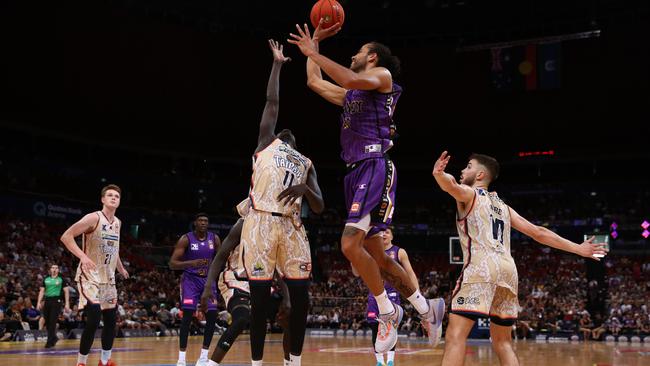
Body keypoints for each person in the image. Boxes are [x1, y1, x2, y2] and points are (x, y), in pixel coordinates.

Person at [288, 21, 444, 352]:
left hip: (374, 166)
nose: (353, 54)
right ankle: (426, 308)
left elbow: (348, 77)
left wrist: (313, 51)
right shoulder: (352, 96)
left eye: (359, 52)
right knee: (379, 257)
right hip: (355, 172)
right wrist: (314, 43)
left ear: (372, 57)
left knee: (348, 245)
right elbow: (313, 81)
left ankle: (388, 313)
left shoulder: (383, 77)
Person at [431, 151, 608, 366]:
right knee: (503, 343)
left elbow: (451, 186)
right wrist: (579, 249)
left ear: (480, 175)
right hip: (508, 272)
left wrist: (439, 174)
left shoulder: (469, 195)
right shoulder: (504, 208)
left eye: (468, 166)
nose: (462, 170)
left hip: (482, 267)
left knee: (455, 336)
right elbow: (538, 233)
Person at [242, 39, 324, 366]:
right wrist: (277, 65)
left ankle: (295, 362)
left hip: (291, 226)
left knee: (301, 300)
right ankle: (257, 363)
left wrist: (304, 188)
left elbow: (319, 206)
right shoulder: (266, 142)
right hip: (261, 221)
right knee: (260, 302)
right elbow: (272, 102)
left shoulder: (305, 162)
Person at [200, 198, 292, 366]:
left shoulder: (272, 232)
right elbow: (220, 257)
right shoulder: (242, 226)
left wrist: (287, 297)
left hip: (261, 281)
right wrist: (208, 288)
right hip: (236, 279)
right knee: (241, 319)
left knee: (289, 318)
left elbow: (277, 268)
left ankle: (290, 363)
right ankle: (211, 364)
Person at [60, 184, 130, 366]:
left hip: (108, 279)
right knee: (94, 319)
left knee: (111, 319)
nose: (114, 198)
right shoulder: (93, 218)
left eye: (117, 196)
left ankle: (104, 361)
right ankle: (81, 362)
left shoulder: (118, 223)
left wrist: (120, 268)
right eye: (110, 195)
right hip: (90, 276)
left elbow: (114, 249)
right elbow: (66, 236)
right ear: (103, 199)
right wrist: (82, 257)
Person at [353, 228, 421, 366]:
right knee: (374, 327)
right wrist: (353, 256)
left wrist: (417, 294)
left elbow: (410, 273)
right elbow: (356, 273)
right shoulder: (369, 252)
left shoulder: (399, 252)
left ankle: (390, 360)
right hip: (375, 295)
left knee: (391, 327)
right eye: (381, 232)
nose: (383, 234)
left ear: (392, 236)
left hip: (392, 294)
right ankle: (379, 362)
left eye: (387, 232)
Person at [169, 213, 221, 366]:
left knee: (212, 316)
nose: (203, 223)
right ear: (195, 223)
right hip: (190, 281)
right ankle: (181, 359)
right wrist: (192, 263)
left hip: (208, 281)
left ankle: (204, 357)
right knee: (187, 317)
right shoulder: (186, 239)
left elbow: (221, 258)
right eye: (200, 220)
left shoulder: (214, 239)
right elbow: (172, 263)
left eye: (206, 220)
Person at [37, 264, 70, 348]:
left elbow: (66, 291)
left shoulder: (62, 279)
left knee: (52, 321)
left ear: (58, 270)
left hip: (57, 301)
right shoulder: (46, 279)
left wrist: (67, 303)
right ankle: (54, 338)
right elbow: (42, 291)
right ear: (50, 270)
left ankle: (49, 341)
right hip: (47, 301)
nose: (54, 269)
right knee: (47, 321)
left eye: (56, 268)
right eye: (53, 268)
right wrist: (38, 302)